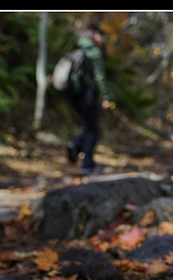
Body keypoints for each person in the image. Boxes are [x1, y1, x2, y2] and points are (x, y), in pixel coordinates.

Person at [65, 25, 113, 176]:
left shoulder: (76, 49)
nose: (103, 39)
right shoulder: (93, 52)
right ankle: (88, 164)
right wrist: (106, 97)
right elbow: (99, 76)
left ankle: (75, 144)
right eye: (101, 35)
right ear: (95, 35)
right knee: (93, 130)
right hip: (88, 94)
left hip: (74, 95)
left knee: (88, 126)